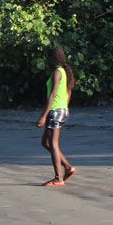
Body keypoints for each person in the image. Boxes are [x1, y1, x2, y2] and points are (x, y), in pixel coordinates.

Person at [37, 47, 76, 187]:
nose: (46, 60)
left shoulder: (57, 73)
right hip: (61, 109)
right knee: (45, 142)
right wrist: (65, 107)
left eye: (47, 57)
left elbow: (52, 95)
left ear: (53, 59)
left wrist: (43, 116)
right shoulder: (64, 72)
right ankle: (67, 167)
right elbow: (69, 91)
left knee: (52, 143)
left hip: (55, 110)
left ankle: (58, 178)